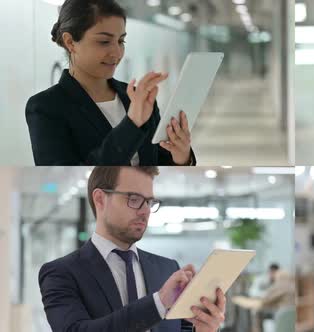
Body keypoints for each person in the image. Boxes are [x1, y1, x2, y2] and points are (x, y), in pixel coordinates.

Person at [38, 167, 224, 332]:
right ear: (100, 199)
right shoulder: (61, 273)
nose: (145, 211)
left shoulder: (167, 269)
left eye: (149, 202)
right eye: (134, 199)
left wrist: (205, 329)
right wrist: (158, 303)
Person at [26, 0, 196, 166]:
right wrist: (132, 124)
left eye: (121, 41)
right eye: (104, 42)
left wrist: (181, 158)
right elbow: (71, 176)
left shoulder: (138, 99)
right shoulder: (45, 107)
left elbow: (158, 163)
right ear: (70, 42)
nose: (117, 52)